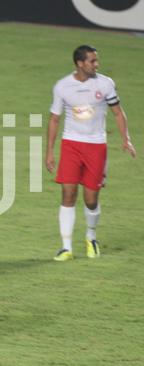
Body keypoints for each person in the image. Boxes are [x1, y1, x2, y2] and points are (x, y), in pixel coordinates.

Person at [46, 45, 136, 261]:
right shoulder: (62, 86)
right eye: (92, 61)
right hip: (71, 144)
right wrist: (49, 151)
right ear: (80, 63)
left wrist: (126, 138)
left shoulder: (105, 84)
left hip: (96, 146)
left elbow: (117, 112)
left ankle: (91, 237)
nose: (97, 64)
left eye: (96, 60)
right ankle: (66, 247)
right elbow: (54, 119)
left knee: (90, 199)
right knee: (68, 194)